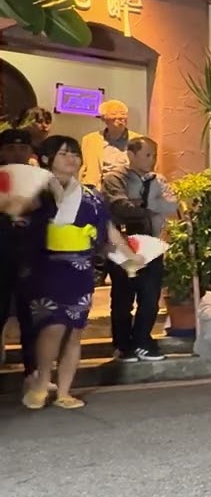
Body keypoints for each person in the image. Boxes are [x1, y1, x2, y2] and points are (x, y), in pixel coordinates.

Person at [24, 136, 143, 409]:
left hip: (80, 269)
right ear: (46, 158)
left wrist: (129, 255)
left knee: (74, 331)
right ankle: (42, 381)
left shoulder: (91, 196)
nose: (72, 159)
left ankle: (64, 391)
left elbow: (109, 230)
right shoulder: (35, 192)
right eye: (64, 154)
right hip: (46, 268)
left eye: (75, 154)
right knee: (52, 326)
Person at [101, 136, 177, 363]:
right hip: (122, 244)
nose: (152, 160)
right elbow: (120, 207)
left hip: (151, 244)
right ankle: (123, 345)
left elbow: (171, 205)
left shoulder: (158, 179)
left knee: (151, 296)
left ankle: (143, 340)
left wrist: (144, 203)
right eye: (147, 155)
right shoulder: (115, 178)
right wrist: (152, 204)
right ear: (131, 155)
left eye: (154, 155)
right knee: (123, 298)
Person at [0, 128, 38, 381]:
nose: (17, 153)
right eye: (11, 148)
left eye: (23, 148)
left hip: (32, 260)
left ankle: (33, 373)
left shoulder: (41, 181)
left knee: (32, 321)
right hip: (1, 258)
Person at [80, 99, 141, 189]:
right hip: (97, 189)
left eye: (123, 113)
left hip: (128, 189)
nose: (120, 117)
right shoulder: (90, 140)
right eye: (114, 114)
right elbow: (82, 168)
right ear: (104, 118)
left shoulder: (138, 140)